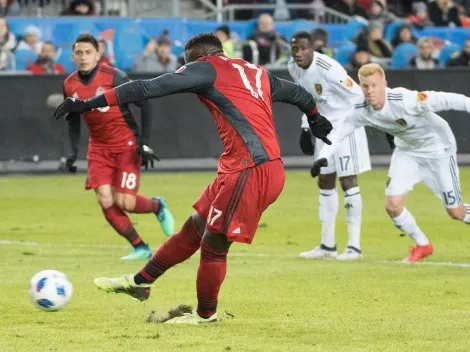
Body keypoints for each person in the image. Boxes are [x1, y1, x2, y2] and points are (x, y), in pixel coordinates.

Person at [54, 33, 333, 324]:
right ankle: (139, 282)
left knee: (213, 244)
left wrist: (88, 104)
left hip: (250, 169)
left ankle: (205, 316)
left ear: (201, 57)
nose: (184, 72)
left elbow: (147, 88)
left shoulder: (205, 67)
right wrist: (314, 118)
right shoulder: (256, 71)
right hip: (246, 167)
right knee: (194, 228)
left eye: (186, 64)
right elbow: (300, 94)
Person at [310, 63, 470, 262]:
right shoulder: (360, 110)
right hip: (407, 153)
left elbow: (446, 99)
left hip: (439, 151)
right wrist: (323, 156)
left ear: (385, 84)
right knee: (393, 206)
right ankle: (423, 245)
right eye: (365, 86)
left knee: (456, 212)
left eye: (375, 86)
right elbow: (338, 134)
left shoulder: (405, 100)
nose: (370, 91)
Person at [61, 34, 175, 260]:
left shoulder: (115, 77)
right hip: (98, 147)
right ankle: (140, 247)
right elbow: (73, 119)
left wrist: (145, 143)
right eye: (79, 53)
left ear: (98, 54)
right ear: (73, 56)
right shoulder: (69, 84)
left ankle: (157, 206)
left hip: (126, 143)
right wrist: (73, 151)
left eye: (88, 52)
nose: (84, 57)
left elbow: (146, 105)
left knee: (125, 202)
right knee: (105, 199)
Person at [288, 31, 372, 260]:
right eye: (295, 48)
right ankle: (327, 245)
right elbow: (306, 98)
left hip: (346, 126)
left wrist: (353, 125)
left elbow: (357, 95)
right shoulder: (292, 67)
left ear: (313, 47)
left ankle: (354, 246)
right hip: (323, 130)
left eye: (304, 48)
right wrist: (306, 126)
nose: (299, 53)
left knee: (348, 181)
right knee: (324, 180)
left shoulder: (328, 68)